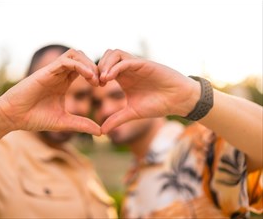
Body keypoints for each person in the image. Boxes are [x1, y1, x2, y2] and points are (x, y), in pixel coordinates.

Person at [0, 45, 116, 218]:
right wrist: (3, 115)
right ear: (26, 85)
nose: (66, 105)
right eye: (53, 89)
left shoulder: (82, 164)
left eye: (81, 95)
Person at [92, 49, 263, 218]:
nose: (106, 110)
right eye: (96, 103)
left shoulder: (200, 145)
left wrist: (190, 97)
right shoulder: (133, 178)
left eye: (118, 95)